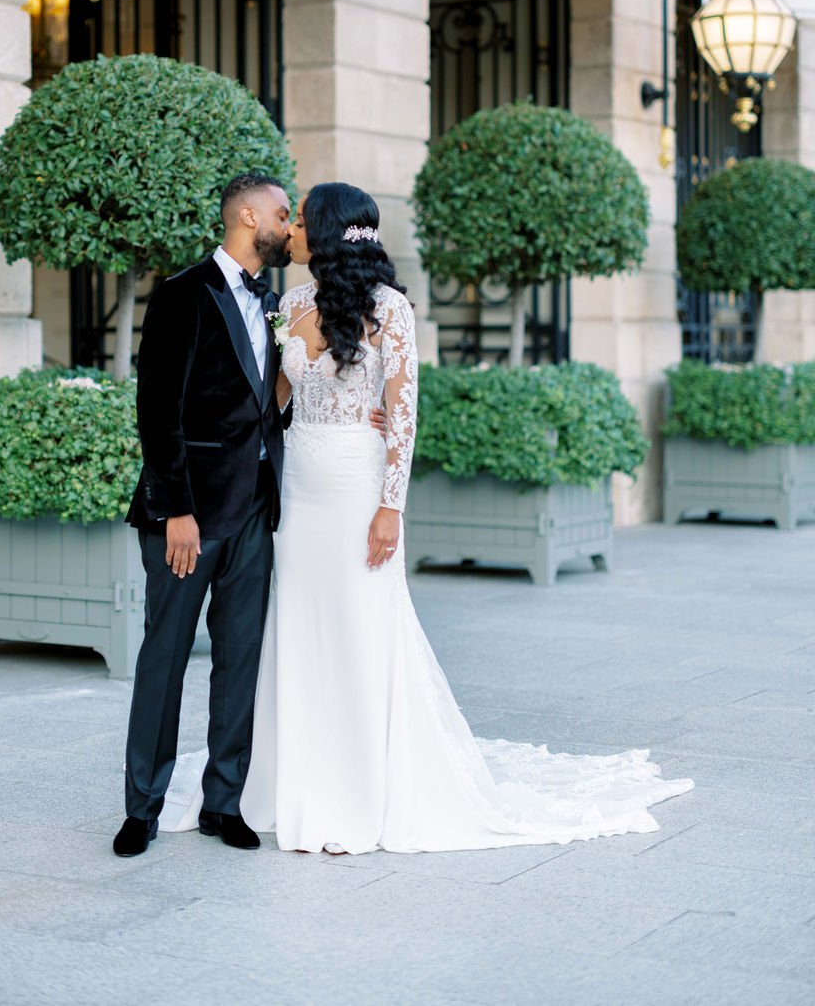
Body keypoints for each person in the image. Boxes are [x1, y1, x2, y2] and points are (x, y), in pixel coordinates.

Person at [160, 182, 693, 855]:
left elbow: (403, 416)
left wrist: (390, 506)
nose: (289, 228)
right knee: (297, 627)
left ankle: (356, 792)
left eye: (298, 219)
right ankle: (287, 777)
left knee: (359, 628)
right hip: (297, 490)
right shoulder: (289, 304)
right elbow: (269, 403)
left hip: (359, 489)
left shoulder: (392, 311)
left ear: (322, 231)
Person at [114, 172, 383, 858]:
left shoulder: (279, 300)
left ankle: (223, 802)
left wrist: (360, 413)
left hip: (258, 514)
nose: (288, 223)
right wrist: (175, 508)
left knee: (240, 663)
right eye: (280, 212)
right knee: (165, 658)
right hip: (189, 519)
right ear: (244, 215)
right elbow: (158, 411)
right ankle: (141, 807)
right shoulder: (180, 294)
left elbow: (273, 404)